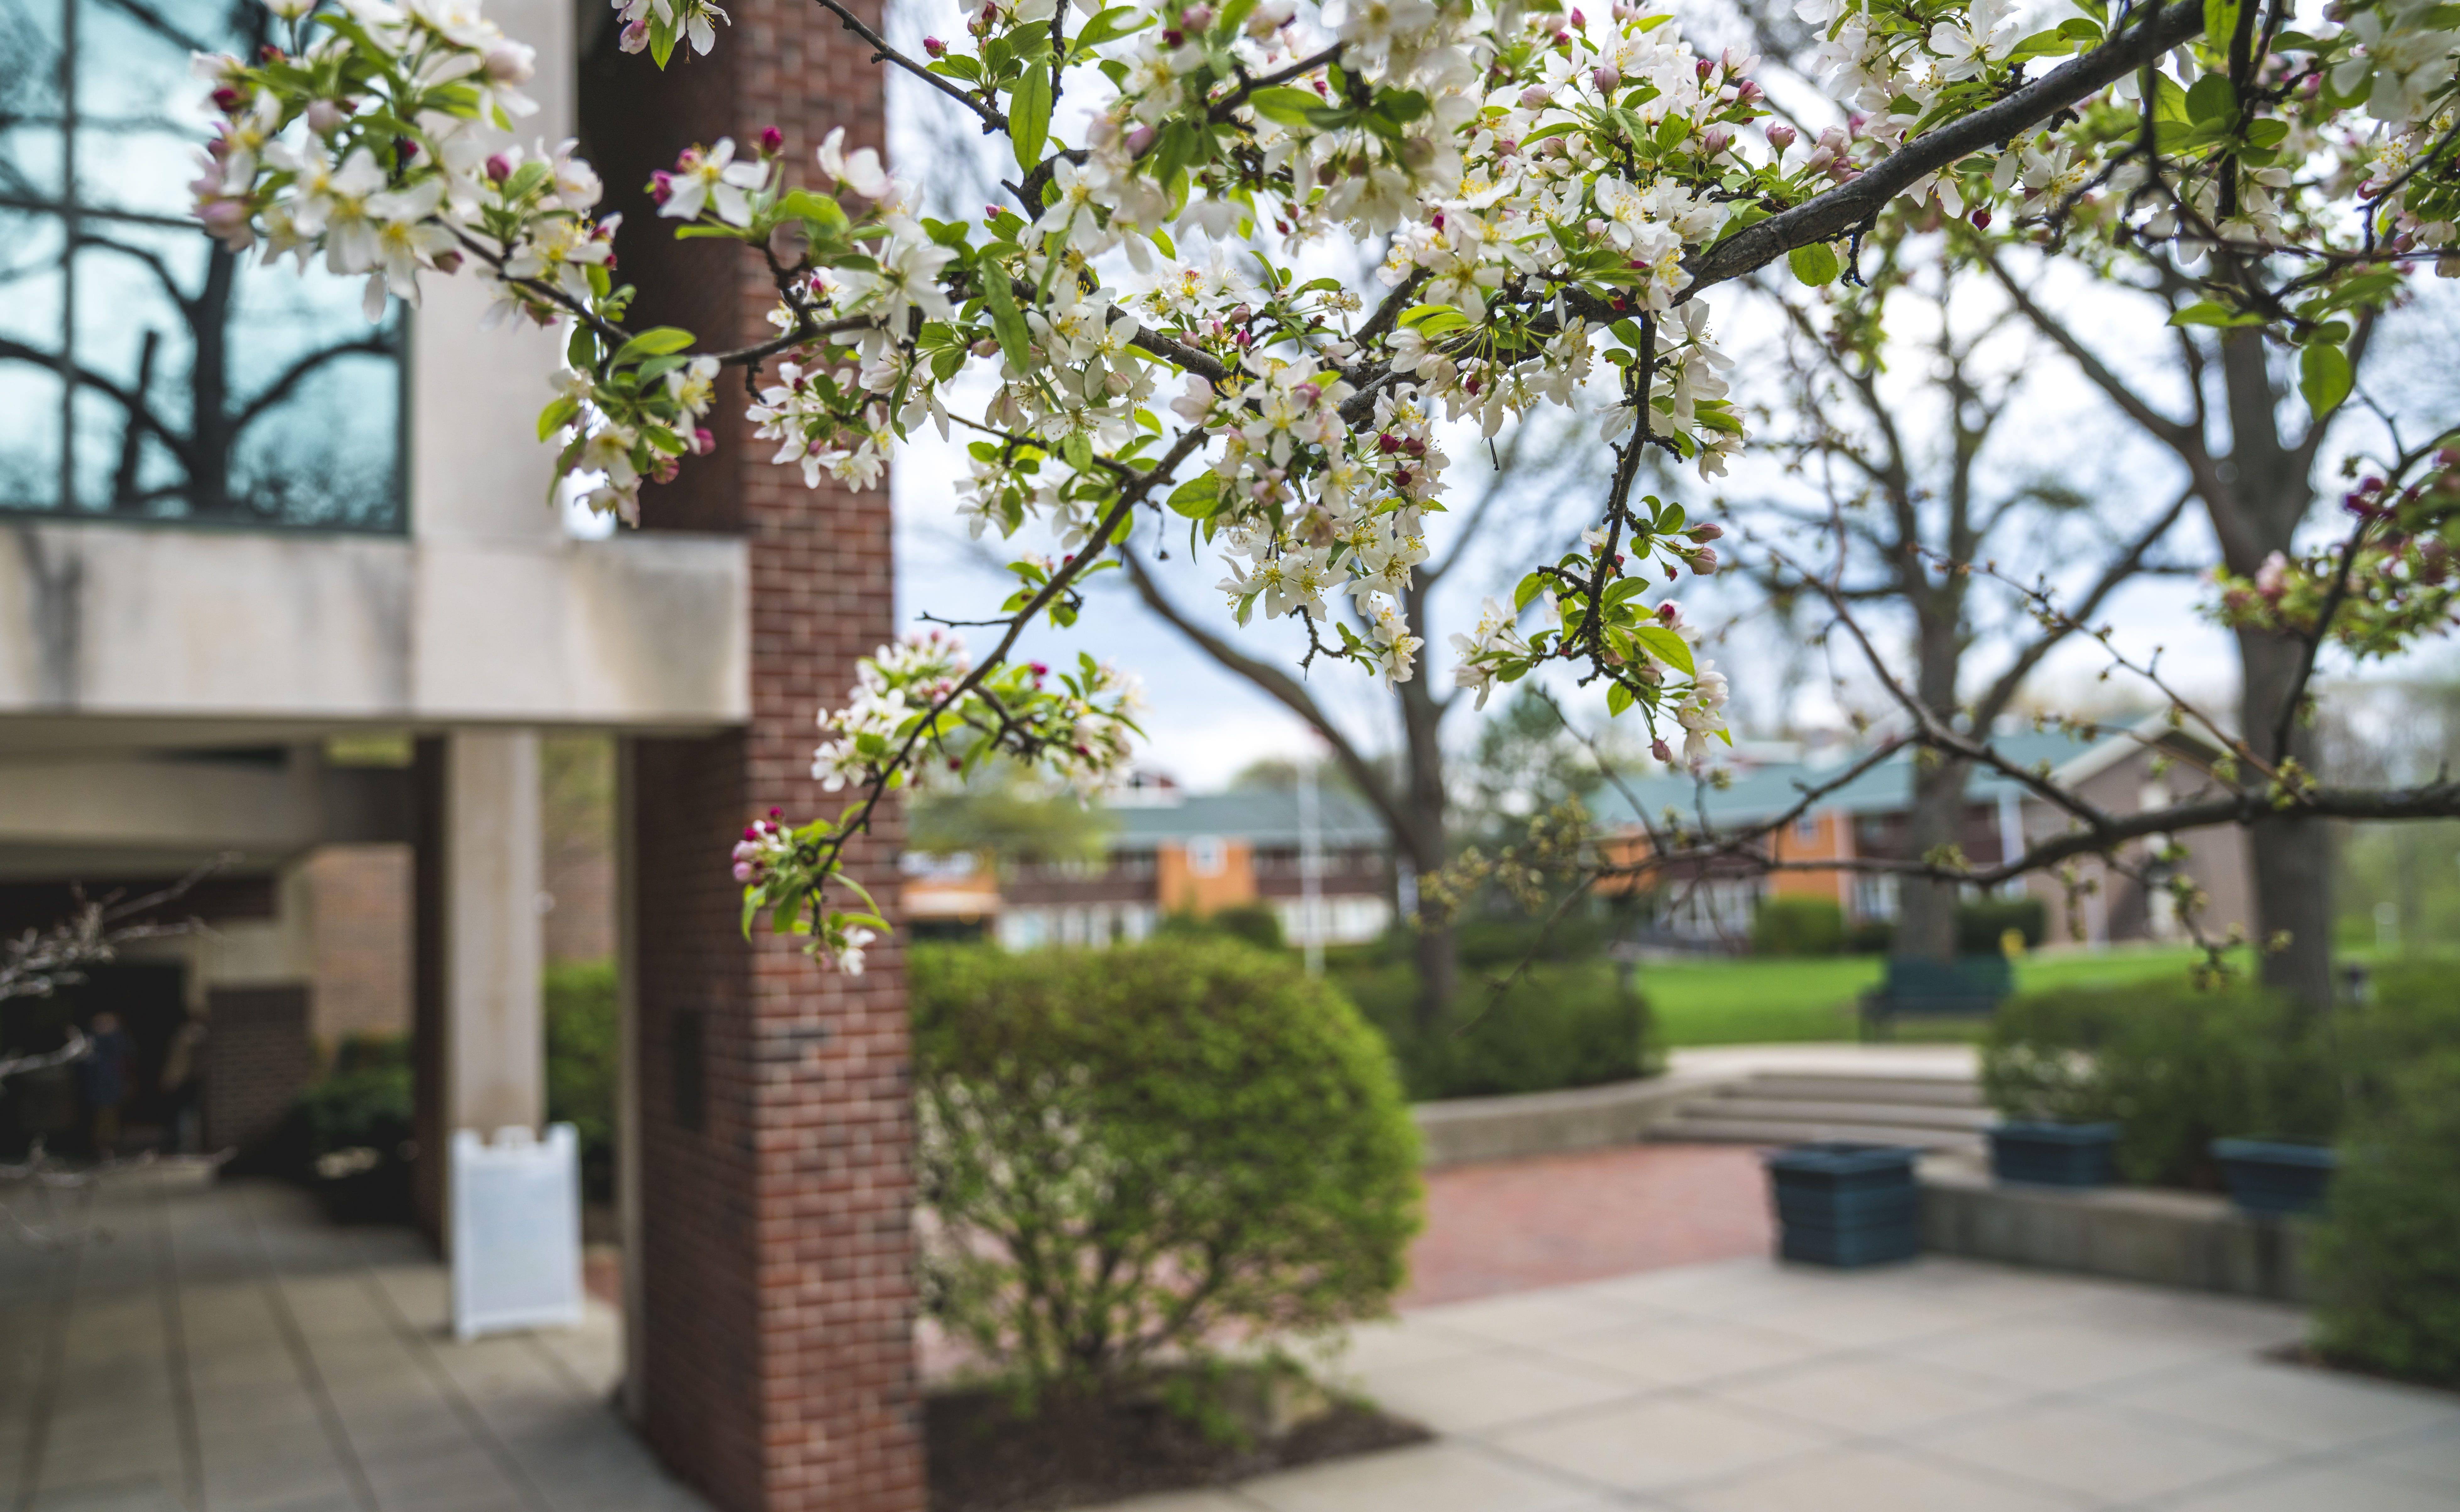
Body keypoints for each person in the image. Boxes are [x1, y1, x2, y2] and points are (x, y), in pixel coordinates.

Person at [81, 1011, 132, 1159]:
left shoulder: (117, 1040)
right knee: (99, 1116)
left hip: (112, 1084)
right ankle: (100, 1146)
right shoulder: (91, 1040)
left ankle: (109, 1145)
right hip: (97, 1085)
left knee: (110, 1115)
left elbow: (126, 1059)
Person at [160, 1010, 208, 1154]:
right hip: (186, 1081)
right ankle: (186, 1146)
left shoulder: (185, 1037)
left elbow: (178, 1063)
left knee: (185, 1114)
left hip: (184, 1081)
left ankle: (186, 1146)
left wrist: (170, 1079)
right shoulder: (193, 1036)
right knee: (186, 1114)